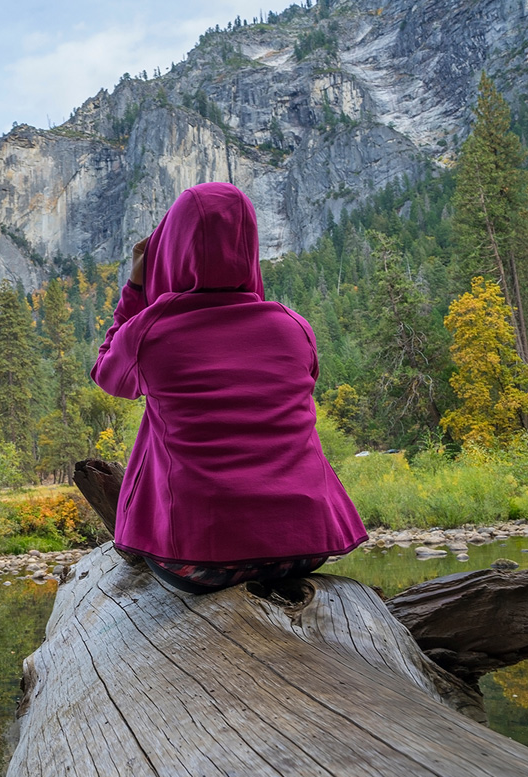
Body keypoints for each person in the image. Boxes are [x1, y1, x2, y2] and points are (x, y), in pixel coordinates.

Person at [91, 182, 367, 594]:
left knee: (158, 421)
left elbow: (106, 372)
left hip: (200, 562)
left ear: (171, 249)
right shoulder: (294, 327)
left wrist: (135, 291)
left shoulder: (149, 332)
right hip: (306, 549)